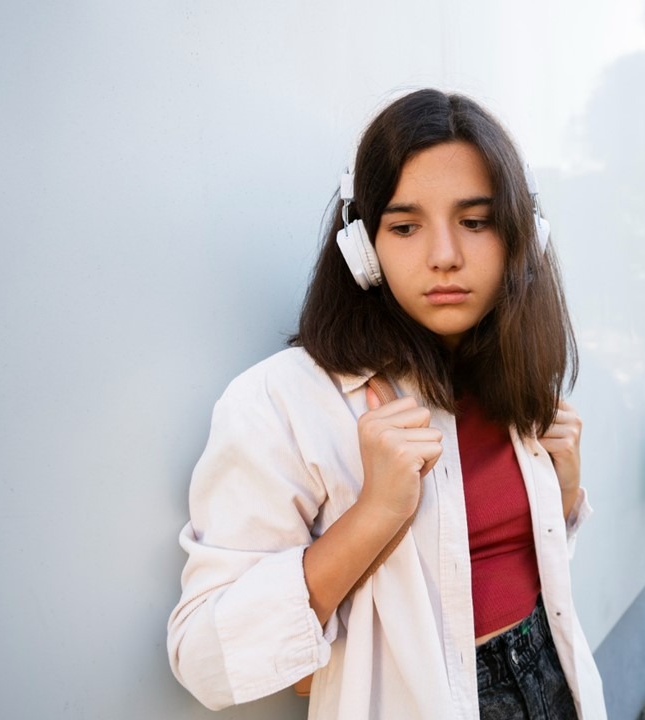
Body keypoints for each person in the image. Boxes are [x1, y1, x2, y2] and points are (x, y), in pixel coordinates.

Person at [167, 89, 606, 720]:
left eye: (475, 221)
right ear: (363, 250)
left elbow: (512, 566)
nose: (444, 255)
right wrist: (375, 513)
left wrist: (561, 498)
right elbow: (203, 657)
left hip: (553, 679)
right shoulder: (283, 400)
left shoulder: (511, 379)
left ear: (522, 238)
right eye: (404, 226)